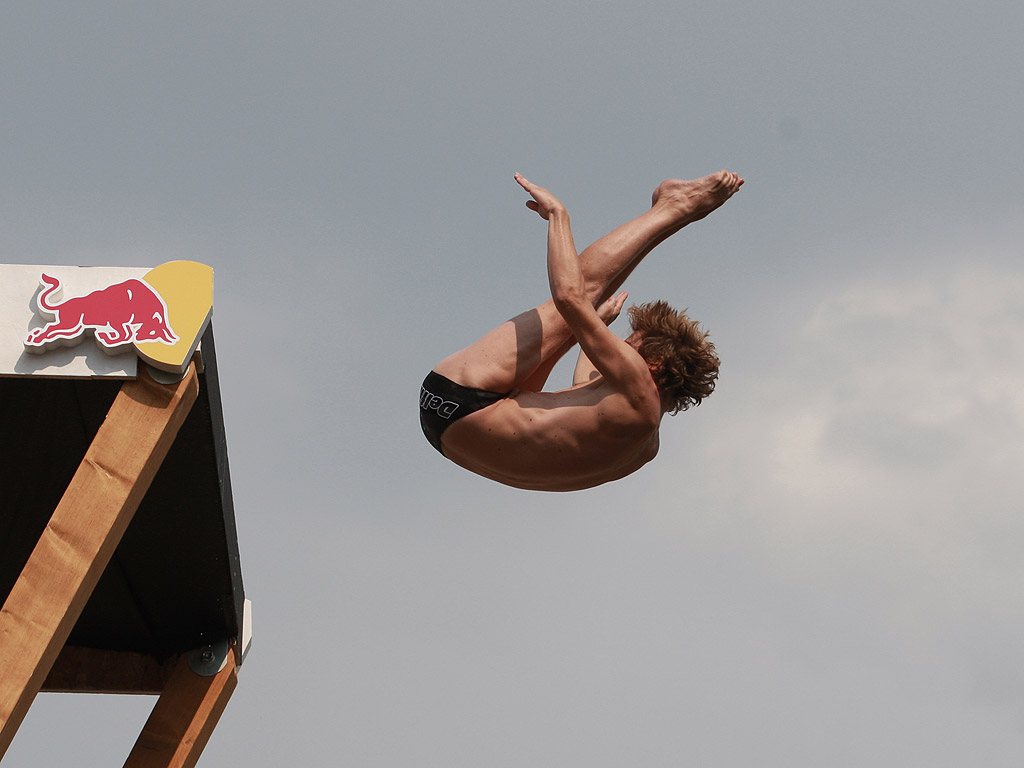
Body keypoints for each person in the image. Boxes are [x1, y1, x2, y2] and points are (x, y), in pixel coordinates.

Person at [420, 170, 744, 491]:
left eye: (630, 344)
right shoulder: (645, 443)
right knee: (581, 314)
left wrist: (558, 217)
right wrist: (595, 324)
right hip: (452, 436)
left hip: (459, 395)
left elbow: (568, 297)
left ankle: (676, 208)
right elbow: (583, 389)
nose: (618, 346)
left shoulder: (636, 385)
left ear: (655, 363)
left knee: (583, 294)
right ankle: (675, 211)